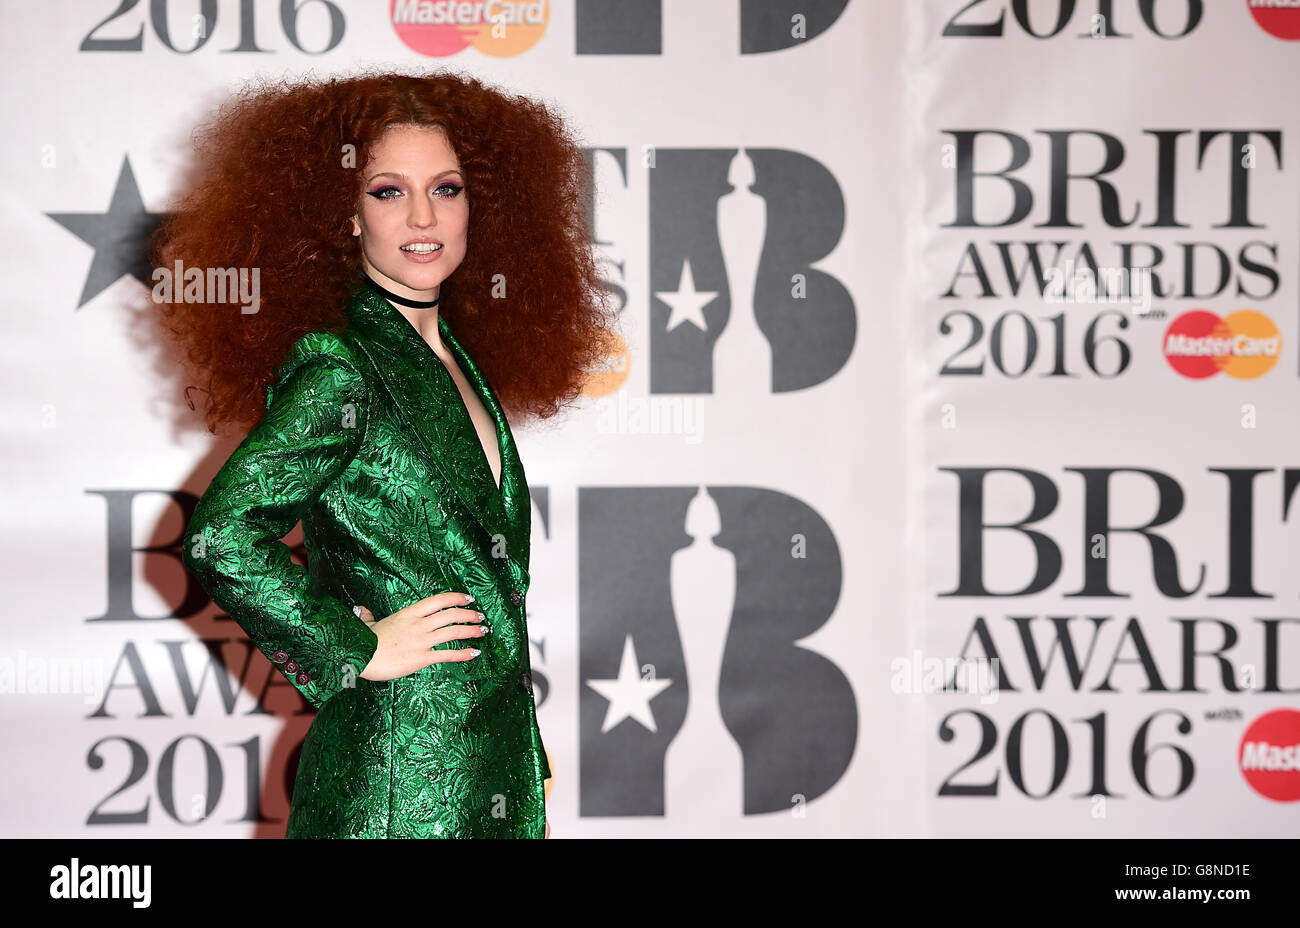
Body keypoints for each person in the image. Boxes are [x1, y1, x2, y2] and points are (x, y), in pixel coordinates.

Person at [155, 70, 616, 838]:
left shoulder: (454, 360)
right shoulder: (342, 363)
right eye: (388, 192)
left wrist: (519, 744)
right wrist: (353, 646)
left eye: (447, 188)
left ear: (481, 208)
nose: (424, 216)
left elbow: (487, 586)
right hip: (396, 783)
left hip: (482, 768)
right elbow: (222, 533)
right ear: (345, 216)